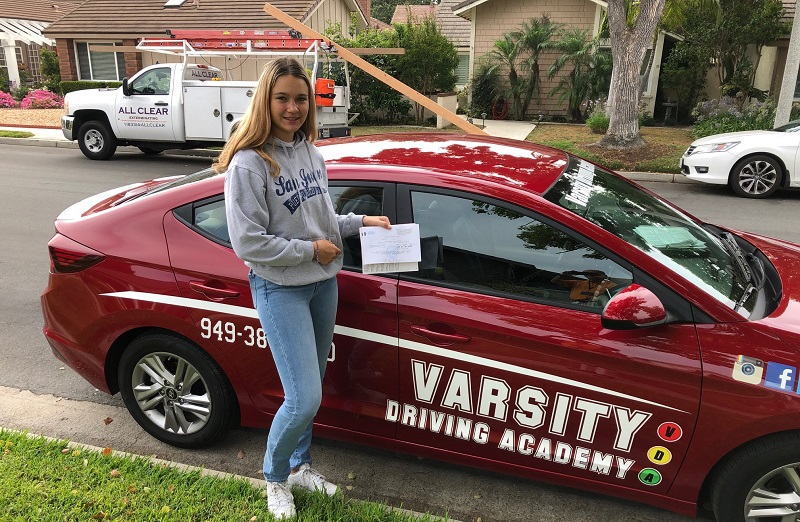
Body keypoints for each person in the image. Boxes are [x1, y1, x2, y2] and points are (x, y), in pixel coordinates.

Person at [214, 57, 391, 520]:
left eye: (300, 99)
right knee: (304, 397)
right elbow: (248, 242)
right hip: (281, 289)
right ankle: (274, 478)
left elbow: (322, 220)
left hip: (322, 287)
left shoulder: (311, 152)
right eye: (282, 99)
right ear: (264, 102)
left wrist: (359, 223)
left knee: (309, 388)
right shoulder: (249, 163)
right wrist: (312, 252)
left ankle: (300, 466)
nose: (292, 108)